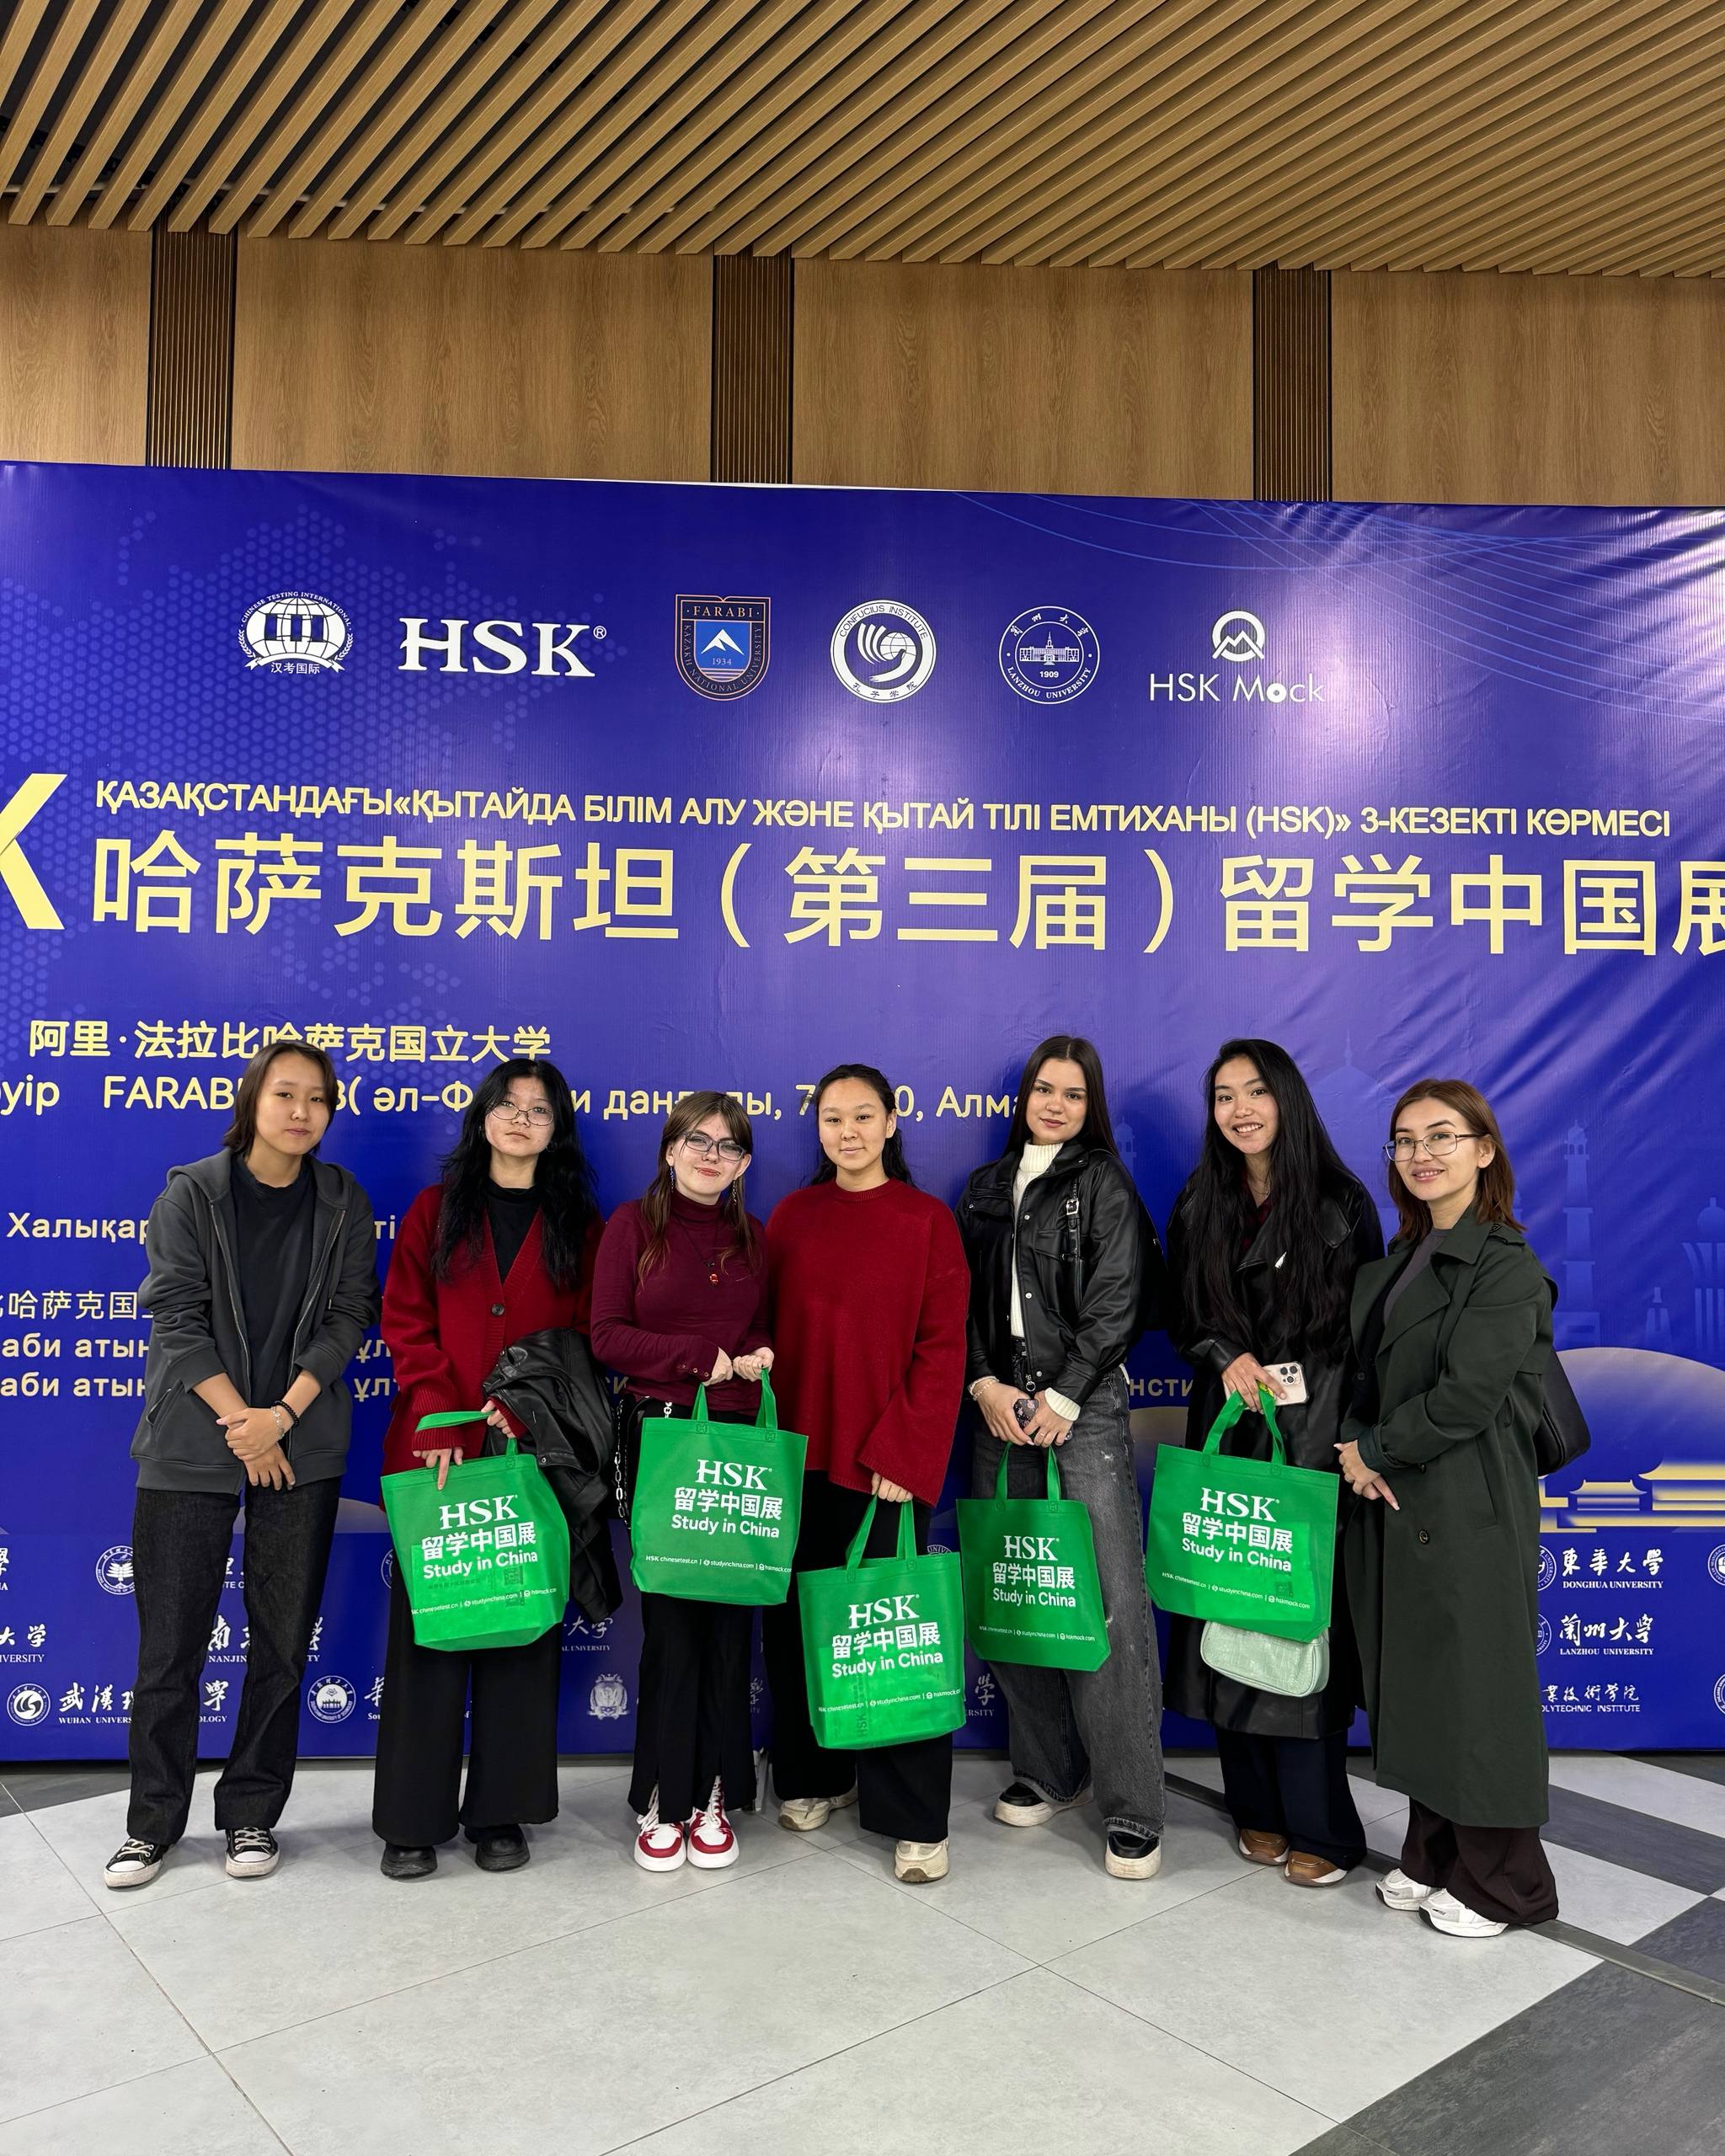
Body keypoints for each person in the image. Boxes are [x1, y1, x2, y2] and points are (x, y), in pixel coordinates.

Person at [106, 1041, 380, 1891]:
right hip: (193, 1444)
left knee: (281, 1643)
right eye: (284, 1094)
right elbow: (175, 1317)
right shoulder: (192, 1193)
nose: (301, 1112)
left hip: (301, 1439)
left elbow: (348, 1318)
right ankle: (151, 1824)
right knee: (170, 1647)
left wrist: (281, 1418)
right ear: (252, 1101)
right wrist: (243, 1425)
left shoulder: (343, 1200)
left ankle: (251, 1810)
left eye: (317, 1098)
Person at [1339, 1079, 1559, 1938]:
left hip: (1467, 1500)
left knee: (1477, 1689)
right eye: (1404, 1140)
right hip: (1397, 1497)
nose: (1420, 1154)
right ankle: (1435, 1855)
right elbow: (1366, 1375)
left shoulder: (1504, 1263)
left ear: (1484, 1149)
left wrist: (1373, 1451)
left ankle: (1507, 1884)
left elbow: (1467, 1395)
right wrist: (1356, 1445)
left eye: (1441, 1136)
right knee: (1420, 1681)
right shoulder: (1403, 1256)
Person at [372, 1058, 600, 1881]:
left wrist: (530, 1406)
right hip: (437, 1452)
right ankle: (411, 1820)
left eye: (539, 1109)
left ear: (556, 1129)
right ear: (482, 1116)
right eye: (507, 1104)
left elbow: (586, 1338)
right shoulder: (436, 1210)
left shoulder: (579, 1223)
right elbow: (404, 1316)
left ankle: (500, 1812)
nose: (521, 1118)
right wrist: (439, 1403)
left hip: (532, 1457)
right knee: (431, 1633)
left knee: (520, 1630)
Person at [1165, 1038, 1383, 1888]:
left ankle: (1322, 1827)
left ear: (1286, 1099)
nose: (1240, 1110)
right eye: (1223, 1096)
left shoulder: (1339, 1201)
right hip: (1227, 1427)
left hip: (1312, 1437)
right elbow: (1180, 1310)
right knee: (1225, 1609)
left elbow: (1365, 1338)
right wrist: (1224, 1352)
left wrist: (1342, 1438)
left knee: (1295, 1621)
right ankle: (1253, 1806)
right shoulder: (1201, 1198)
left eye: (1255, 1092)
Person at [957, 1035, 1167, 1878]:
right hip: (998, 1408)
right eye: (1044, 1089)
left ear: (1091, 1107)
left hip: (1080, 1408)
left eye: (1073, 1095)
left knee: (1109, 1602)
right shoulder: (983, 1187)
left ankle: (1133, 1805)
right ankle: (1050, 1771)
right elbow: (958, 1299)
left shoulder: (1103, 1183)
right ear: (1025, 1098)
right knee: (1015, 1591)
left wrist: (1066, 1395)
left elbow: (1118, 1298)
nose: (1055, 1105)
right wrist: (982, 1382)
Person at [762, 1064, 969, 1883]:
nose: (846, 1131)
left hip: (882, 1463)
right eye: (831, 1118)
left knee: (890, 1633)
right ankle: (815, 1774)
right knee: (798, 1628)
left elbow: (942, 1348)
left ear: (890, 1121)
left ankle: (913, 1818)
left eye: (861, 1116)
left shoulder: (926, 1221)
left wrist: (904, 1455)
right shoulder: (792, 1216)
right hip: (796, 1459)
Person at [590, 1091, 772, 1876]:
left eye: (728, 1146)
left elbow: (761, 1323)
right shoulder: (632, 1226)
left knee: (729, 1625)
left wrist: (759, 1351)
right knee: (670, 1628)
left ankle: (716, 1794)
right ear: (670, 1149)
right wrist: (698, 1357)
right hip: (662, 1439)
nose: (710, 1155)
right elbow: (606, 1335)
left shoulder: (754, 1236)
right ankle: (663, 1796)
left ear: (743, 1163)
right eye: (697, 1140)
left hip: (739, 1447)